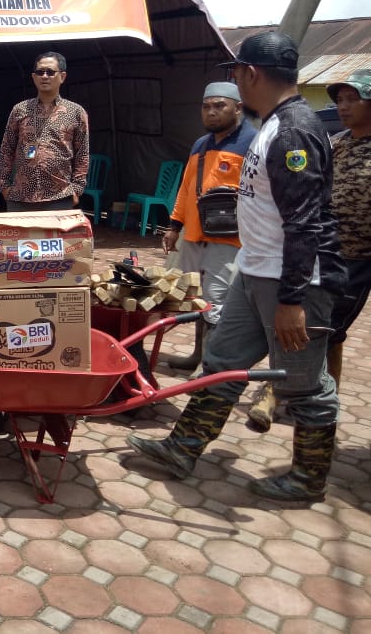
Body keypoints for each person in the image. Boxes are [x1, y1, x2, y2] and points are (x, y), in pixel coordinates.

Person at [126, 31, 345, 503]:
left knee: (305, 384)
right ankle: (182, 448)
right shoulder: (272, 123)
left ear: (250, 74)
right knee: (223, 361)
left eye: (237, 75)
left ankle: (308, 480)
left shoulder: (293, 132)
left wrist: (291, 302)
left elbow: (305, 223)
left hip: (295, 283)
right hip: (255, 268)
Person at [248, 69, 371, 432]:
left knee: (325, 331)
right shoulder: (335, 142)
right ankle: (289, 392)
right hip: (317, 251)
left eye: (353, 99)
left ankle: (306, 400)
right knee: (301, 326)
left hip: (358, 258)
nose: (344, 106)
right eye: (340, 100)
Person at [161, 82, 257, 372]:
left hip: (229, 239)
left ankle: (210, 369)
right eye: (207, 106)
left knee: (216, 300)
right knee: (188, 295)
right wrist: (173, 225)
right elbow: (186, 187)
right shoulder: (200, 145)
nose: (212, 112)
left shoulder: (253, 142)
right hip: (193, 234)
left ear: (238, 108)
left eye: (220, 106)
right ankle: (196, 355)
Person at [0, 51, 89, 211]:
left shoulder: (75, 112)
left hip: (60, 197)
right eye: (40, 72)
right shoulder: (20, 110)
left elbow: (82, 153)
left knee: (55, 237)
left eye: (50, 72)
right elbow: (7, 149)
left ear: (62, 76)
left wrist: (76, 189)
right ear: (33, 77)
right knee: (23, 238)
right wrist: (4, 186)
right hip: (20, 197)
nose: (44, 76)